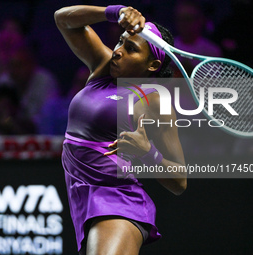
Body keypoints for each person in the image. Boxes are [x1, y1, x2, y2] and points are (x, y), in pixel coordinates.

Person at [55, 5, 187, 255]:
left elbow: (180, 181)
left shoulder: (153, 98)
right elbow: (63, 19)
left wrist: (148, 154)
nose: (118, 52)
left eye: (131, 49)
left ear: (152, 65)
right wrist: (115, 12)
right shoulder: (102, 68)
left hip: (117, 201)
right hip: (83, 197)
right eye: (120, 42)